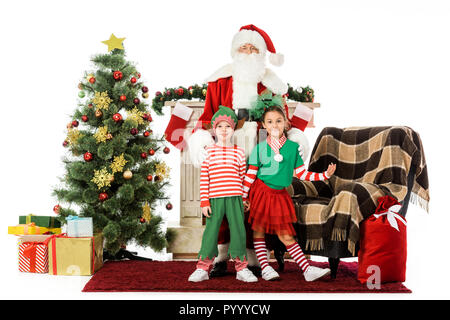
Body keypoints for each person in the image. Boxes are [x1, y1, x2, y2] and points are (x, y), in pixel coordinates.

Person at [165, 24, 314, 277]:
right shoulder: (220, 81)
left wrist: (294, 139)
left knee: (254, 205)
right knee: (221, 204)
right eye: (243, 47)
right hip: (227, 150)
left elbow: (283, 120)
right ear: (235, 50)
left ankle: (255, 259)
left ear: (261, 53)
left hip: (263, 151)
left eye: (253, 47)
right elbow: (207, 119)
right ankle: (221, 256)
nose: (247, 51)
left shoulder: (273, 85)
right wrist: (202, 142)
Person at [243, 102, 336, 281]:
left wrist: (324, 175)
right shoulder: (260, 148)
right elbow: (250, 175)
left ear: (286, 123)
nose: (274, 125)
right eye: (270, 122)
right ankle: (265, 268)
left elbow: (301, 173)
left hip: (279, 196)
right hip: (261, 192)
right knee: (259, 231)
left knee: (286, 234)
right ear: (264, 125)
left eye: (278, 121)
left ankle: (307, 270)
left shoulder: (293, 148)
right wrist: (244, 196)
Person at [188, 106, 258, 282]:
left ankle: (241, 268)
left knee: (238, 231)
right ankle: (203, 267)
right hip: (215, 199)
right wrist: (204, 201)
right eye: (220, 126)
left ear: (233, 129)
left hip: (235, 199)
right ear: (214, 129)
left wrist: (244, 198)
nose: (224, 130)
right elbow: (205, 179)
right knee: (211, 232)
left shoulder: (239, 153)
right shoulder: (208, 152)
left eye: (228, 126)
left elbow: (243, 178)